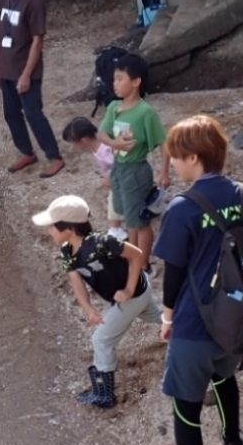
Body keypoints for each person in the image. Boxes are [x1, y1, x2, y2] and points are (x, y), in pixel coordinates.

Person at [152, 115, 243, 445]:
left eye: (177, 158)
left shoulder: (183, 208)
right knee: (224, 376)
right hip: (236, 319)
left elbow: (175, 272)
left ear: (195, 158)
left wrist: (167, 317)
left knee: (185, 409)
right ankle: (235, 443)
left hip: (195, 325)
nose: (175, 166)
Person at [32, 195, 162, 409]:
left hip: (134, 294)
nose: (49, 231)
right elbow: (77, 284)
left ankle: (104, 394)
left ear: (69, 227)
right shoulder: (67, 252)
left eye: (53, 226)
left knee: (101, 340)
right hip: (137, 294)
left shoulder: (102, 243)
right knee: (161, 319)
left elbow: (137, 255)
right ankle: (195, 325)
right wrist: (89, 309)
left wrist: (129, 289)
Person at [0, 0, 64, 177]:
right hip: (6, 69)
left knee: (34, 113)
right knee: (11, 114)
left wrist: (26, 74)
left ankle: (55, 156)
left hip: (26, 70)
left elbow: (37, 40)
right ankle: (27, 152)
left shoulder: (34, 0)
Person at [97, 53, 170, 263]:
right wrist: (114, 144)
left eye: (120, 79)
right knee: (129, 218)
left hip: (136, 171)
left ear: (136, 82)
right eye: (114, 79)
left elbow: (164, 143)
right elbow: (101, 133)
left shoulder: (145, 113)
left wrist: (164, 172)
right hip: (119, 168)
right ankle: (134, 257)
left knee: (140, 221)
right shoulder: (113, 107)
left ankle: (142, 263)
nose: (115, 84)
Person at [61, 115, 127, 239]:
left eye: (73, 143)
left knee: (114, 198)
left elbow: (121, 163)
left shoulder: (106, 147)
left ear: (83, 140)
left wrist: (110, 177)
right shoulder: (95, 146)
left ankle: (116, 228)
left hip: (126, 175)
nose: (73, 147)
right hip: (119, 178)